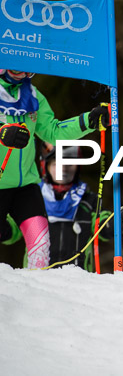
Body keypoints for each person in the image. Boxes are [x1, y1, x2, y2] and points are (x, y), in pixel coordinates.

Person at [0, 69, 110, 269]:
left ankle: (38, 295)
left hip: (25, 185)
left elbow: (53, 131)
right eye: (16, 68)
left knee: (40, 247)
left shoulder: (32, 95)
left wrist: (88, 121)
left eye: (28, 70)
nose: (22, 74)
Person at [38, 142, 110, 271]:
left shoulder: (88, 200)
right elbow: (13, 227)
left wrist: (114, 224)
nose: (64, 169)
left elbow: (103, 224)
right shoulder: (34, 198)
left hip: (78, 279)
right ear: (45, 166)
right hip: (39, 278)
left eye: (69, 164)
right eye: (57, 164)